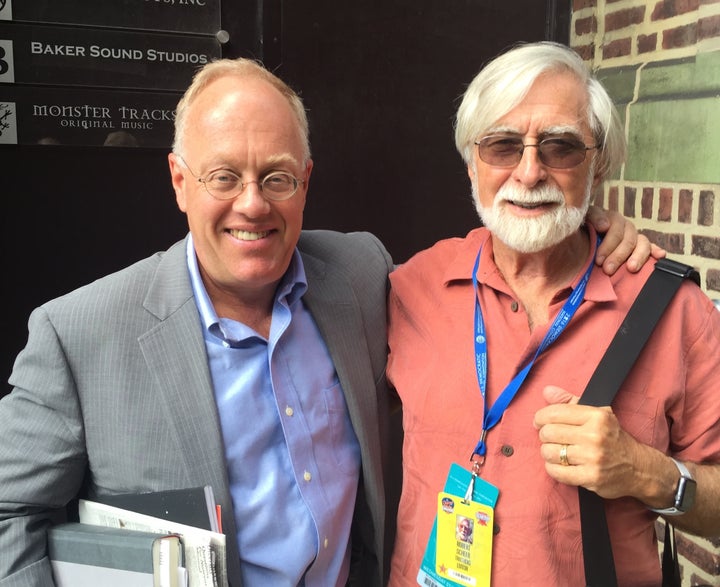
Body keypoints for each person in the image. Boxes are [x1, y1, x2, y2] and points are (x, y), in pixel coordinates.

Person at [0, 57, 652, 587]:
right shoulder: (79, 333)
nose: (252, 204)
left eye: (277, 177)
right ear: (179, 180)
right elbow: (10, 512)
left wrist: (581, 225)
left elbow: (509, 246)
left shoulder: (362, 275)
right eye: (224, 175)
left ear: (306, 181)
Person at [387, 42, 720, 586]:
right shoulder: (411, 286)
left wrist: (646, 472)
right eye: (501, 145)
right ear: (471, 161)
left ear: (601, 162)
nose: (529, 171)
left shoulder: (674, 311)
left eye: (561, 148)